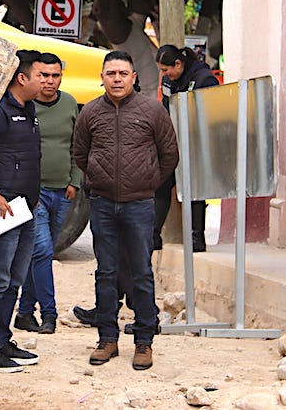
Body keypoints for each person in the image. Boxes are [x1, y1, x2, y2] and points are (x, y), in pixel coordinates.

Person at [74, 51, 178, 370]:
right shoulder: (90, 112)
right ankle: (107, 339)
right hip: (103, 204)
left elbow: (169, 154)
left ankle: (144, 343)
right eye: (110, 73)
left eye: (123, 73)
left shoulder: (152, 110)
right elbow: (79, 153)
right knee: (105, 272)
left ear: (134, 77)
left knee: (141, 273)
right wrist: (98, 179)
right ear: (102, 77)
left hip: (139, 205)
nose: (116, 79)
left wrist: (146, 182)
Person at [0, 49, 45, 372]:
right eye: (41, 76)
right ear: (22, 78)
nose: (48, 82)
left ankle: (2, 340)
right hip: (5, 210)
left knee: (15, 278)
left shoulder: (29, 109)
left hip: (26, 208)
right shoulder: (1, 110)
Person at [14, 53, 81, 335]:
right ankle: (49, 314)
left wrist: (75, 181)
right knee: (41, 251)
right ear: (32, 76)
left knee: (40, 254)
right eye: (43, 75)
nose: (49, 81)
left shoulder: (69, 103)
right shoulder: (23, 105)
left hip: (63, 192)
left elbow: (79, 145)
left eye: (55, 76)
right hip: (34, 194)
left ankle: (24, 313)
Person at [154, 44, 219, 252]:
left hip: (197, 144)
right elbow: (165, 109)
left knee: (194, 189)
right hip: (172, 143)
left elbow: (210, 113)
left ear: (178, 64)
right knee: (161, 184)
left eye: (166, 69)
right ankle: (153, 235)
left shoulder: (203, 79)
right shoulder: (168, 81)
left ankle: (196, 238)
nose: (164, 74)